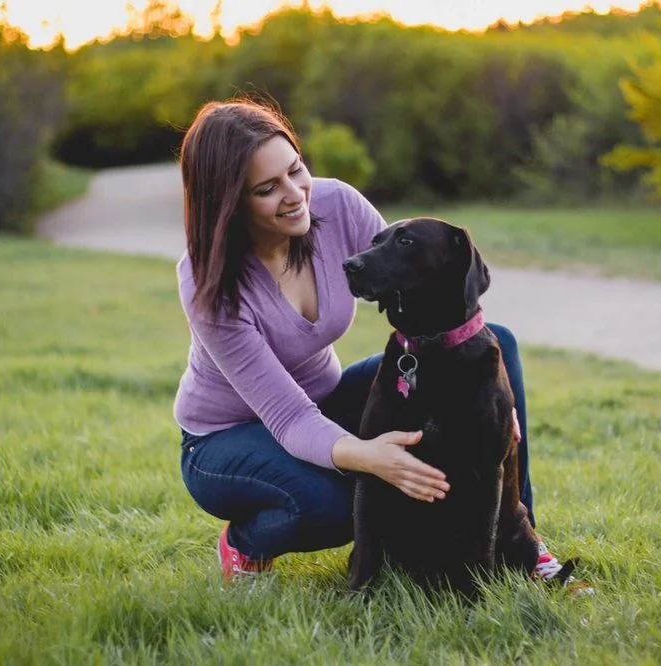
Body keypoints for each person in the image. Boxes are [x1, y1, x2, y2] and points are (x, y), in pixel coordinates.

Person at [174, 99, 588, 592]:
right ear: (229, 203)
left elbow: (421, 273)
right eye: (267, 189)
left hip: (327, 399)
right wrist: (370, 458)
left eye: (296, 170)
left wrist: (496, 393)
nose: (295, 194)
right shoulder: (209, 281)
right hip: (227, 436)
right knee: (339, 504)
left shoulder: (334, 206)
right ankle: (246, 542)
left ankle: (519, 537)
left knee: (500, 346)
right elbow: (287, 418)